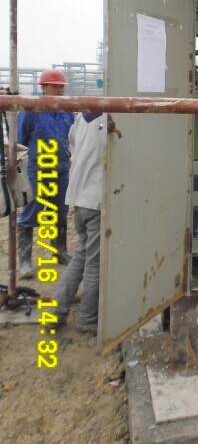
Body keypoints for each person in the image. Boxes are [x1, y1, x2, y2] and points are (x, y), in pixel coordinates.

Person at [17, 68, 74, 278]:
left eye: (61, 86)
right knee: (31, 211)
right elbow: (21, 141)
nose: (59, 90)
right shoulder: (31, 110)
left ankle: (59, 251)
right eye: (55, 86)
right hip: (38, 170)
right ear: (43, 87)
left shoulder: (67, 111)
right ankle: (24, 260)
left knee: (60, 211)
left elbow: (71, 137)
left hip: (62, 169)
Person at [53, 111, 106, 333]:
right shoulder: (110, 119)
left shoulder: (81, 118)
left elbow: (73, 139)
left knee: (81, 256)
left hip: (78, 198)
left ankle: (57, 310)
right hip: (95, 200)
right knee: (94, 263)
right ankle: (87, 318)